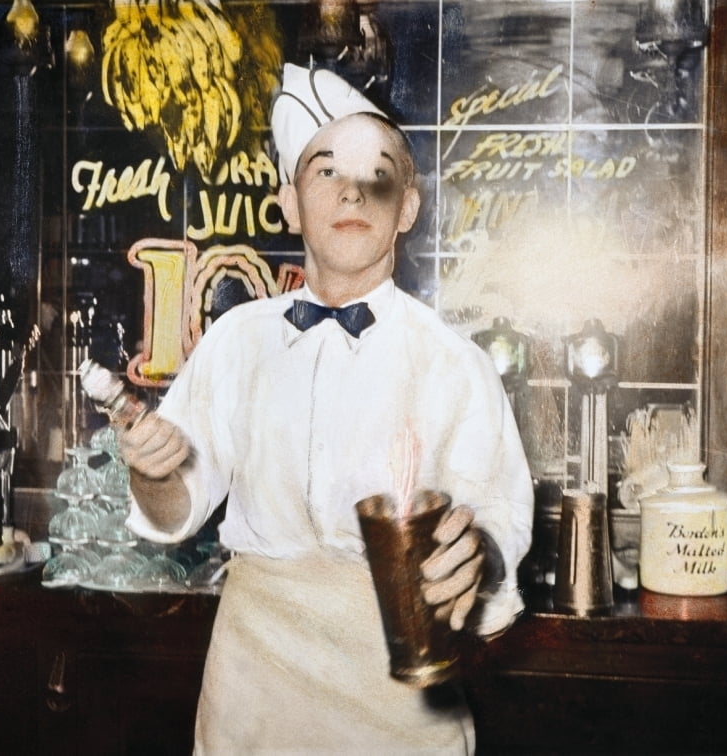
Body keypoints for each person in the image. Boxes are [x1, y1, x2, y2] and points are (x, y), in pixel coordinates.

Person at [119, 63, 534, 754]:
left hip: (401, 703)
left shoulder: (451, 362)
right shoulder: (236, 340)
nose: (352, 191)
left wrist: (477, 556)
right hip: (253, 697)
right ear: (288, 202)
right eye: (325, 172)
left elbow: (497, 530)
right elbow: (173, 512)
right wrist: (153, 472)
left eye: (378, 176)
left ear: (408, 206)